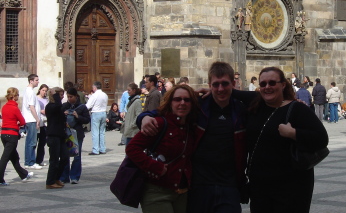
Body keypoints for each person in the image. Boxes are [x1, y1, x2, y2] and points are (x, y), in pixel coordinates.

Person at [138, 62, 247, 213]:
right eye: (215, 85)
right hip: (198, 185)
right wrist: (144, 117)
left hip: (229, 186)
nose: (220, 89)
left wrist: (232, 92)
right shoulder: (199, 106)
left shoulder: (241, 109)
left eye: (225, 84)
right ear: (209, 84)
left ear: (233, 84)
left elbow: (266, 97)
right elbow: (168, 110)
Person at [247, 67, 328, 213]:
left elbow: (321, 138)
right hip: (260, 186)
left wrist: (294, 133)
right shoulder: (256, 106)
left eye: (272, 83)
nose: (267, 87)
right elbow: (229, 92)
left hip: (291, 187)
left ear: (283, 84)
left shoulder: (297, 109)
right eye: (263, 84)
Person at [126, 84, 199, 213]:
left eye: (187, 100)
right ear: (170, 102)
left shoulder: (191, 126)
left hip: (182, 192)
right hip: (157, 191)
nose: (182, 103)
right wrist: (155, 166)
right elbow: (132, 148)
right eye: (177, 99)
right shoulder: (159, 123)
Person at [0, 87, 34, 185]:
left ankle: (23, 174)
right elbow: (22, 121)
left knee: (14, 157)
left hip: (4, 134)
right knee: (5, 158)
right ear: (15, 96)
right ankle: (0, 179)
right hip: (12, 134)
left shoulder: (4, 107)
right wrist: (17, 124)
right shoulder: (15, 108)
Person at [60, 87, 90, 184]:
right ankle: (64, 176)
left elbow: (87, 119)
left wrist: (78, 116)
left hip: (77, 133)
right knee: (65, 155)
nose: (69, 99)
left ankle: (75, 176)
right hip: (66, 133)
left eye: (71, 97)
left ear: (76, 96)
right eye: (68, 97)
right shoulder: (64, 106)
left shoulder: (82, 107)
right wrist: (63, 115)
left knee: (77, 155)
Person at [45, 87, 69, 189]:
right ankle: (50, 181)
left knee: (64, 158)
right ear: (54, 96)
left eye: (62, 95)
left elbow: (61, 107)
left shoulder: (58, 107)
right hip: (53, 136)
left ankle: (56, 178)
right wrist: (55, 94)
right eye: (60, 95)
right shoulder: (50, 106)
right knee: (54, 160)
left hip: (61, 135)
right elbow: (58, 105)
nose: (62, 97)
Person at [21, 74, 43, 169]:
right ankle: (30, 162)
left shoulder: (28, 91)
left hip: (30, 119)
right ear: (31, 81)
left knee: (30, 141)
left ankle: (28, 161)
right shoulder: (29, 92)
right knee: (32, 141)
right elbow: (31, 107)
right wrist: (37, 119)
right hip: (31, 119)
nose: (38, 81)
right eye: (36, 80)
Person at [86, 81, 108, 155]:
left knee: (95, 132)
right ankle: (102, 148)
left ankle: (95, 149)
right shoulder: (105, 95)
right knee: (102, 132)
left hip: (96, 113)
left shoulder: (94, 95)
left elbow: (88, 106)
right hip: (103, 112)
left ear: (95, 87)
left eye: (93, 87)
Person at [36, 84, 49, 167]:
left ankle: (39, 160)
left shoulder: (46, 100)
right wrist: (41, 110)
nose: (44, 92)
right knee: (35, 141)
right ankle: (32, 160)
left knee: (42, 142)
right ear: (40, 90)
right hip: (38, 120)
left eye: (45, 91)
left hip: (45, 121)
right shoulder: (36, 98)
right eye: (43, 90)